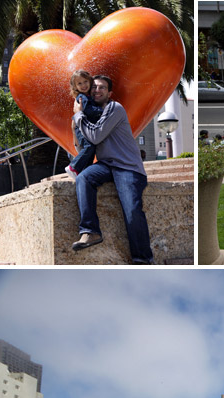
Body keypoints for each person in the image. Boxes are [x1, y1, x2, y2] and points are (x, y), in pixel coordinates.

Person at [71, 76, 153, 263]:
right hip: (107, 165)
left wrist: (78, 115)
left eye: (102, 87)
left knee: (132, 211)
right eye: (94, 87)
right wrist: (75, 124)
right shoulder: (91, 113)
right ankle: (90, 231)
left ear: (109, 93)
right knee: (84, 178)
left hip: (127, 167)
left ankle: (143, 261)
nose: (97, 90)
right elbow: (84, 146)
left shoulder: (114, 108)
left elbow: (96, 135)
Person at [65, 70, 103, 180]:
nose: (83, 85)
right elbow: (87, 110)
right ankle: (74, 167)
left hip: (84, 127)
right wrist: (102, 110)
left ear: (90, 81)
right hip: (81, 128)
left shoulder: (88, 97)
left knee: (91, 151)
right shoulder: (82, 97)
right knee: (89, 147)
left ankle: (84, 171)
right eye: (79, 83)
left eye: (85, 81)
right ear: (75, 87)